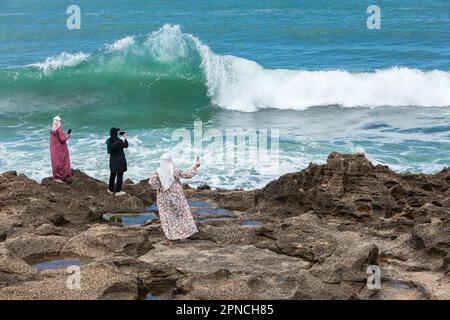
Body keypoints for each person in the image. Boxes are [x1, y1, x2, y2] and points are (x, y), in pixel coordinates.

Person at [148, 153, 201, 243]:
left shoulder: (157, 172)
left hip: (163, 197)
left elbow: (152, 182)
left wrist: (160, 188)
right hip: (177, 195)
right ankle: (182, 233)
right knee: (181, 213)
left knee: (167, 216)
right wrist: (195, 166)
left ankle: (171, 235)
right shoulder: (175, 170)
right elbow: (187, 174)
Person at [106, 127, 128, 196]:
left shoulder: (109, 140)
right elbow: (126, 145)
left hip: (112, 160)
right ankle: (118, 191)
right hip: (120, 160)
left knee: (112, 174)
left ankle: (110, 189)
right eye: (118, 132)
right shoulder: (119, 141)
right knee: (119, 174)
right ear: (116, 133)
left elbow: (109, 151)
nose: (119, 133)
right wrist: (125, 138)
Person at [49, 116, 71, 183]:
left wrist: (63, 135)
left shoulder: (52, 130)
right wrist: (67, 136)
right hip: (60, 149)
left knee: (55, 162)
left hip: (53, 149)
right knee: (63, 161)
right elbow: (62, 140)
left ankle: (56, 176)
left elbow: (57, 138)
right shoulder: (59, 129)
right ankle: (62, 176)